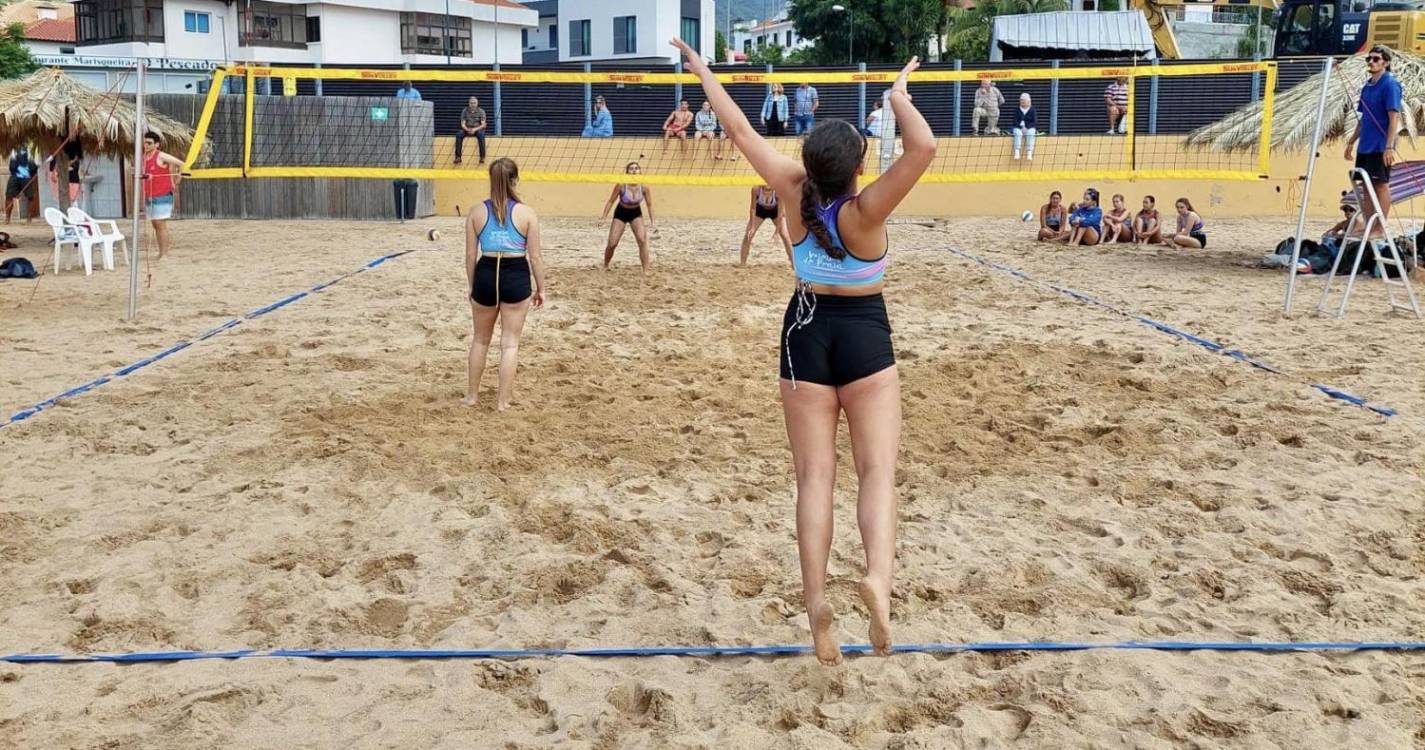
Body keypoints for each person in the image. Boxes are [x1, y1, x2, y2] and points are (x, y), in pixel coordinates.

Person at [675, 36, 937, 666]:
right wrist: (898, 97)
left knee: (814, 478)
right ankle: (878, 582)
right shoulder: (869, 207)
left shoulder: (792, 189)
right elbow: (924, 148)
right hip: (864, 332)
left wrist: (704, 72)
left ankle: (817, 602)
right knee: (876, 473)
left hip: (804, 329)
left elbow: (739, 130)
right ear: (857, 167)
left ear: (809, 161)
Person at [464, 158, 546, 411]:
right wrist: (541, 288)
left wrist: (472, 285)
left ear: (491, 180)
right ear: (515, 180)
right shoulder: (527, 213)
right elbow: (535, 257)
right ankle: (503, 401)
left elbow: (470, 255)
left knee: (480, 340)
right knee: (509, 344)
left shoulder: (476, 212)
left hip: (486, 274)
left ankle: (472, 396)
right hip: (515, 274)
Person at [1343, 44, 1401, 239]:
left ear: (1386, 62)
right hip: (1365, 145)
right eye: (1369, 58)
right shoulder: (1367, 87)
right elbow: (1364, 118)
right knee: (1366, 186)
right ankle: (1369, 225)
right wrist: (1351, 141)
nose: (1371, 62)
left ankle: (1380, 228)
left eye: (1376, 59)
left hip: (1381, 145)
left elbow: (1394, 118)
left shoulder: (1390, 84)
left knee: (1380, 185)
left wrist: (1389, 147)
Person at [600, 161, 654, 272]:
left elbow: (649, 205)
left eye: (636, 168)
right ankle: (605, 265)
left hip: (635, 212)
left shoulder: (644, 187)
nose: (634, 170)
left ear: (640, 172)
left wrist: (653, 222)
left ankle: (646, 270)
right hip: (621, 212)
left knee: (642, 240)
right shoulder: (621, 185)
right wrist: (603, 218)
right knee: (612, 243)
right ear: (627, 172)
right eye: (631, 169)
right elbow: (611, 201)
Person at [141, 131, 184, 259]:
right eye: (145, 143)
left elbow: (181, 163)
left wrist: (177, 180)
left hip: (162, 194)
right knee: (155, 224)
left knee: (160, 223)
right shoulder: (144, 158)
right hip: (150, 194)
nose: (146, 145)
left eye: (149, 143)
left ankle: (164, 254)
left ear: (157, 144)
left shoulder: (161, 156)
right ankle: (161, 252)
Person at [740, 184, 792, 266]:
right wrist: (752, 226)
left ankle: (794, 263)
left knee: (785, 235)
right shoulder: (756, 189)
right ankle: (743, 263)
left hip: (775, 212)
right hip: (760, 211)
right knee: (748, 235)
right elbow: (753, 209)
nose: (767, 184)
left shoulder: (779, 191)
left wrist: (776, 232)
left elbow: (781, 213)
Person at [5, 147, 37, 224]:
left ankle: (29, 218)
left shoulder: (31, 148)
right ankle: (7, 218)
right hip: (15, 176)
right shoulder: (13, 148)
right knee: (9, 196)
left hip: (27, 177)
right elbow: (11, 167)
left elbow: (34, 166)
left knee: (30, 197)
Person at [47, 139, 82, 205]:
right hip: (65, 181)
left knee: (73, 200)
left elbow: (72, 166)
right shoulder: (58, 157)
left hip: (72, 181)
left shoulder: (74, 158)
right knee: (65, 199)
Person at [454, 96, 487, 166]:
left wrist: (474, 129)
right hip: (467, 129)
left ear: (477, 103)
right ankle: (458, 157)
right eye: (471, 103)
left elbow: (483, 124)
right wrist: (467, 129)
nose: (473, 104)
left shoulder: (481, 111)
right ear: (469, 103)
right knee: (459, 134)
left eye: (474, 103)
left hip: (477, 129)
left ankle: (482, 157)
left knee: (481, 135)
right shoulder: (464, 111)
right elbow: (462, 124)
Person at [1011, 93, 1036, 161]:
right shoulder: (1017, 109)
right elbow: (1014, 121)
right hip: (1018, 127)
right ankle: (1017, 152)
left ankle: (1029, 153)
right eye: (1021, 100)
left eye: (1024, 100)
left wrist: (1026, 128)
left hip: (1029, 127)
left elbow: (1034, 122)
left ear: (1028, 101)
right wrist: (1021, 128)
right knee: (1018, 133)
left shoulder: (1032, 110)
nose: (1022, 102)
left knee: (1031, 133)